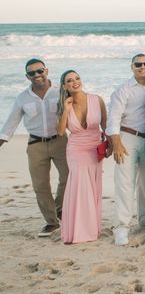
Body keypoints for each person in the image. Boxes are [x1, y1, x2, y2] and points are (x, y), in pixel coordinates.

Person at [0, 59, 69, 237]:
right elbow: (11, 122)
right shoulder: (22, 98)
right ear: (27, 77)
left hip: (61, 141)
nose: (37, 75)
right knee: (40, 185)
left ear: (46, 70)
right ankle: (51, 222)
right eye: (32, 73)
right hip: (35, 145)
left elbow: (79, 110)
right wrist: (1, 141)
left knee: (69, 177)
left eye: (40, 71)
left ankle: (59, 208)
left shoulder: (61, 91)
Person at [106, 53, 145, 246]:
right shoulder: (123, 90)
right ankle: (122, 228)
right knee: (125, 184)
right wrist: (116, 143)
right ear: (131, 66)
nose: (142, 67)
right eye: (138, 64)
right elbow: (113, 119)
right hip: (127, 139)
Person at [56, 70, 108, 244]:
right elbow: (61, 131)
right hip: (76, 149)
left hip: (95, 148)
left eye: (77, 78)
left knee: (92, 188)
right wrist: (66, 110)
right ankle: (78, 231)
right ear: (65, 86)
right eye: (69, 80)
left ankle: (91, 229)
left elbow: (106, 126)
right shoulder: (64, 104)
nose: (75, 82)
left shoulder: (96, 100)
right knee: (80, 187)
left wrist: (110, 145)